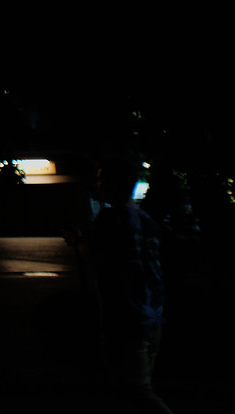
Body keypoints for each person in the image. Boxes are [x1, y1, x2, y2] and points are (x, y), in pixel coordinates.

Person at [86, 161, 173, 413]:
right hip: (152, 316)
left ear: (115, 184)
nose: (98, 185)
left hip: (125, 318)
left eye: (102, 180)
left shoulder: (110, 218)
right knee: (131, 392)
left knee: (137, 392)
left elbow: (99, 260)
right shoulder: (147, 221)